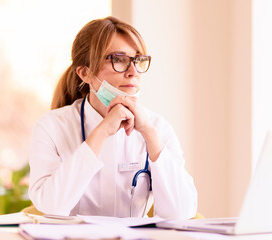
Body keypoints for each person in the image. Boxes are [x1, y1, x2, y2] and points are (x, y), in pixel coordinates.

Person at [28, 16, 197, 219]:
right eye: (118, 60)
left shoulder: (158, 128)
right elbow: (52, 206)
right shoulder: (51, 127)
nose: (133, 72)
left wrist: (149, 134)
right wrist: (102, 132)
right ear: (85, 73)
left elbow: (182, 213)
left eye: (137, 60)